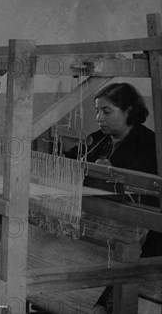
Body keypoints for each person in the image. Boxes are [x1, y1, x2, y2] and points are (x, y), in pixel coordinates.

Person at [66, 83, 159, 313]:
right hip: (101, 220)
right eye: (97, 111)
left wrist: (113, 172)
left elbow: (142, 183)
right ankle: (81, 297)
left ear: (128, 110)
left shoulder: (149, 144)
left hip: (135, 228)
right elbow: (68, 159)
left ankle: (100, 304)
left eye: (106, 111)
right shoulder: (99, 139)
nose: (99, 117)